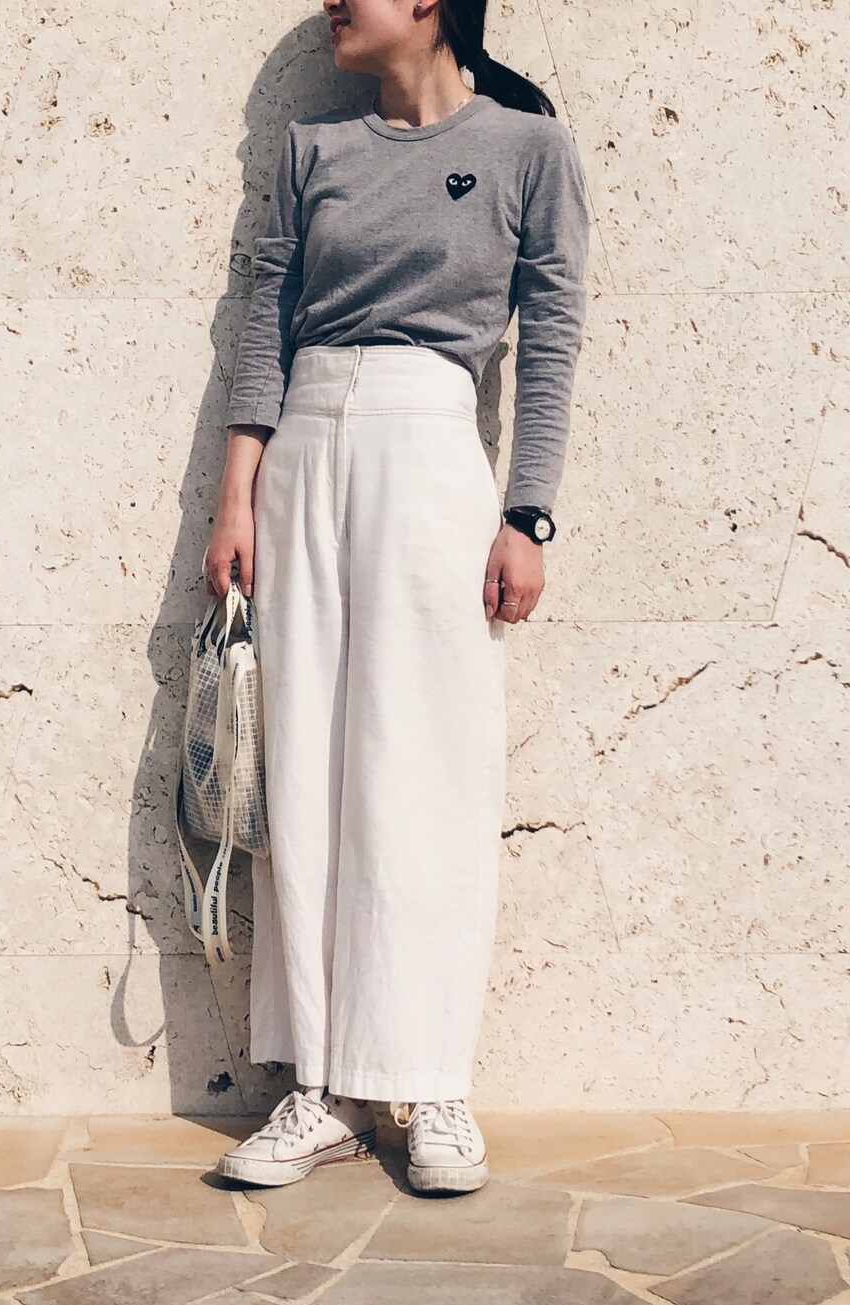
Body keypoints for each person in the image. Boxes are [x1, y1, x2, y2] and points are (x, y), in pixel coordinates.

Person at [204, 0, 589, 1195]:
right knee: (303, 765)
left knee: (427, 762)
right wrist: (233, 498)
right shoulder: (313, 149)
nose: (333, 1)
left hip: (430, 447)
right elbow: (264, 324)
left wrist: (527, 513)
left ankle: (428, 1078)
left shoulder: (528, 147)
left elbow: (552, 337)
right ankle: (318, 1085)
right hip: (303, 452)